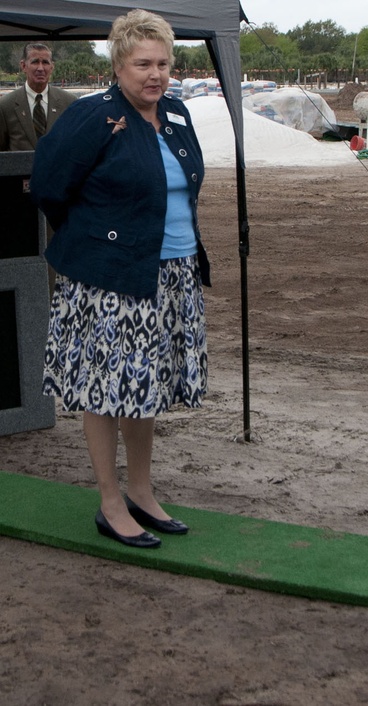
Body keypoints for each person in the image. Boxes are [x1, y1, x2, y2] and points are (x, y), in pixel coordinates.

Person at [30, 9, 211, 549]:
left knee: (145, 385)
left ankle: (141, 491)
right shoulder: (93, 116)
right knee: (105, 388)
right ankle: (110, 503)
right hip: (109, 280)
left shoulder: (177, 113)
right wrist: (91, 239)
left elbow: (185, 186)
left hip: (173, 274)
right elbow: (48, 185)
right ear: (118, 64)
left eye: (163, 64)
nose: (155, 75)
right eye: (142, 64)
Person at [0, 43, 77, 151]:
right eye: (35, 62)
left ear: (52, 67)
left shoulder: (69, 103)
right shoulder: (5, 106)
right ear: (23, 66)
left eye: (45, 62)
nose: (40, 68)